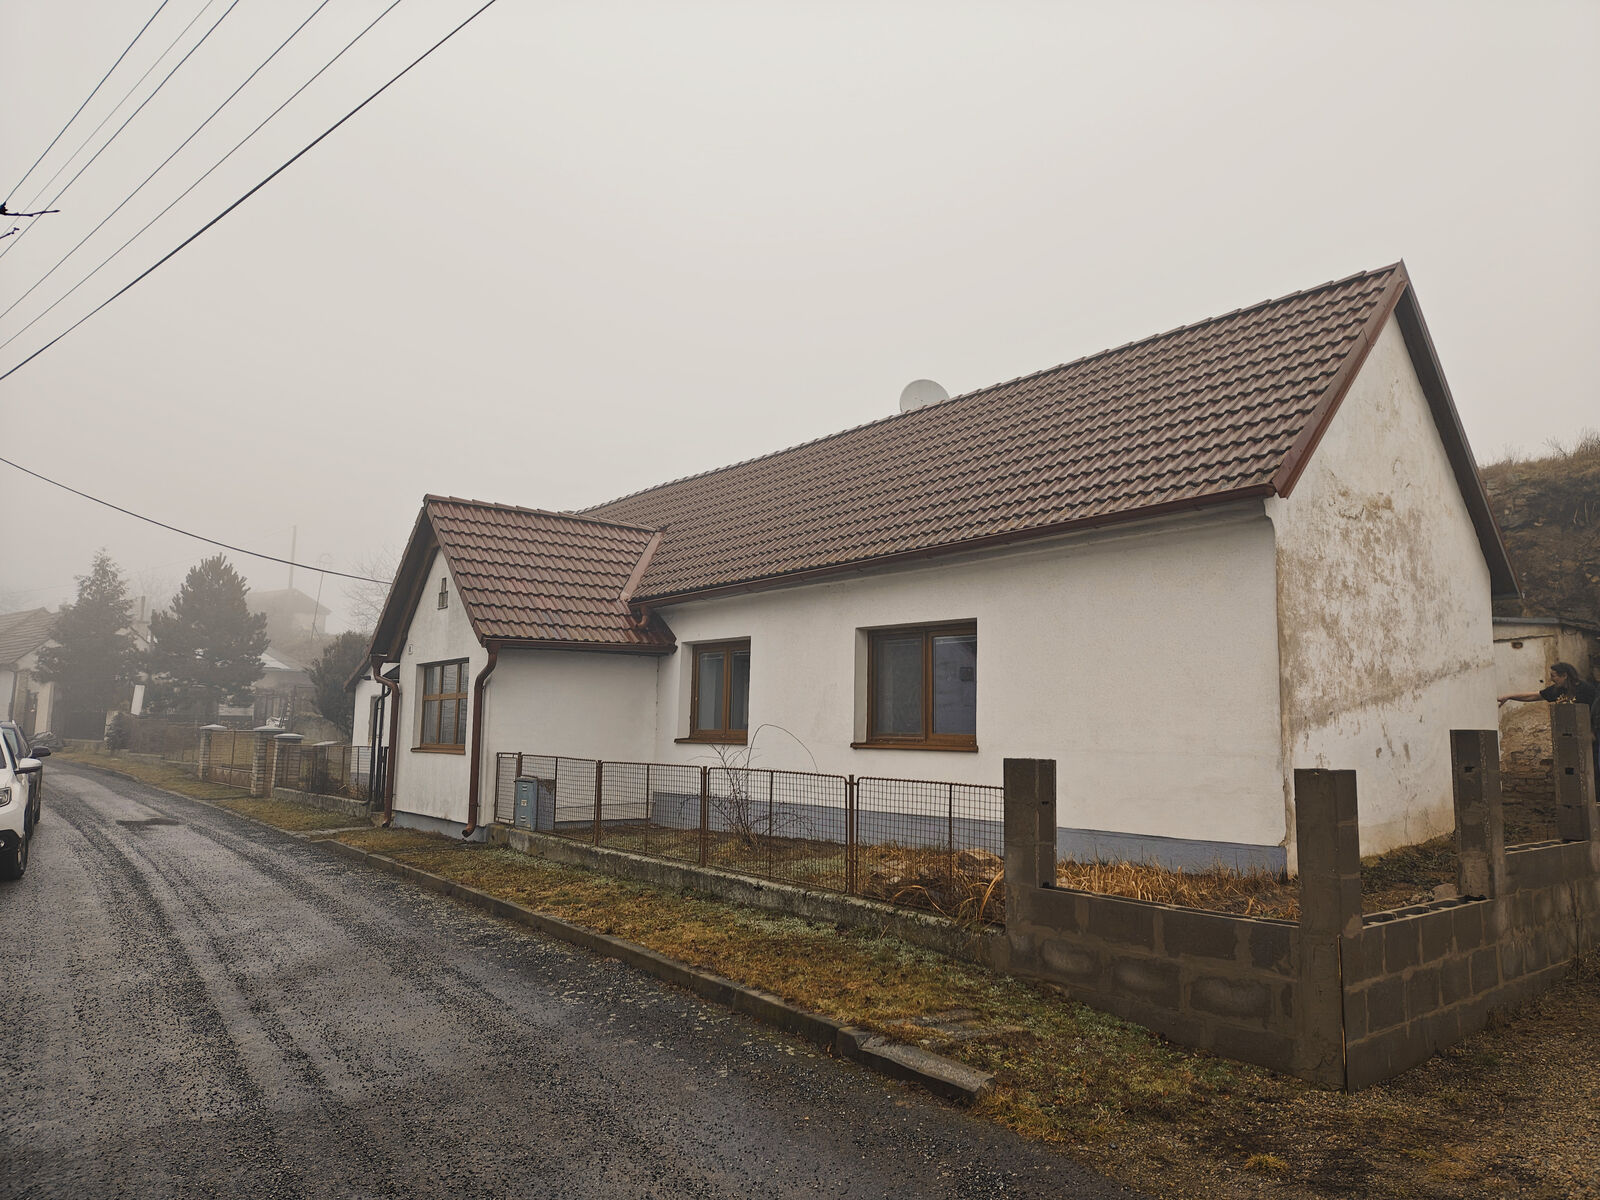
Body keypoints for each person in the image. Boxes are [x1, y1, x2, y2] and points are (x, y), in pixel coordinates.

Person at [1500, 661, 1600, 781]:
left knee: (1593, 769)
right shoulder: (1557, 690)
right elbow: (1534, 696)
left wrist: (1592, 731)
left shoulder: (1586, 689)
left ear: (1564, 675)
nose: (1551, 679)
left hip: (1589, 737)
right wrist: (1509, 696)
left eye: (1554, 676)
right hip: (1567, 738)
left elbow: (1595, 711)